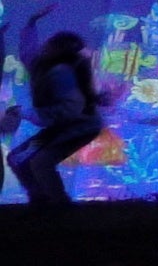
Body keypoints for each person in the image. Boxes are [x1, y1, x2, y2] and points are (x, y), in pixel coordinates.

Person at [9, 12, 102, 207]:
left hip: (78, 126)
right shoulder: (45, 67)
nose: (44, 47)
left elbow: (67, 111)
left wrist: (25, 113)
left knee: (40, 162)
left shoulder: (62, 73)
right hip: (64, 126)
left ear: (57, 50)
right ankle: (41, 200)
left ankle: (58, 205)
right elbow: (29, 54)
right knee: (18, 158)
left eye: (50, 44)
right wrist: (30, 24)